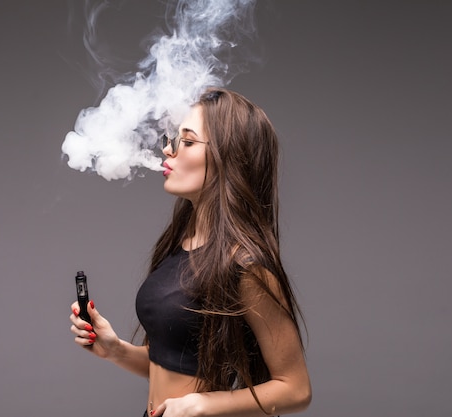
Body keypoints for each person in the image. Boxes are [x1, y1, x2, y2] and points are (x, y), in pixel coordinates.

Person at [69, 87, 311, 416]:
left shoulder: (245, 265)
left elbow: (296, 389)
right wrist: (116, 350)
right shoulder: (179, 244)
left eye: (188, 141)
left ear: (229, 156)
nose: (168, 149)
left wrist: (206, 404)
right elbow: (179, 363)